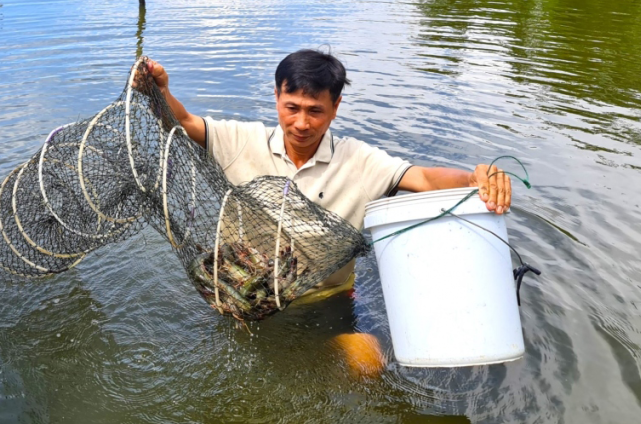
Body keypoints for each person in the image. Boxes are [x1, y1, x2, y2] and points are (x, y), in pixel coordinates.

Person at [145, 48, 512, 296]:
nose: (301, 123)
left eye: (315, 111)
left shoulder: (360, 161)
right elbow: (183, 121)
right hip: (245, 293)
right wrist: (159, 91)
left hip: (327, 299)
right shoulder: (241, 140)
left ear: (336, 106)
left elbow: (424, 179)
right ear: (276, 97)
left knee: (366, 363)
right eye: (291, 107)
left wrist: (474, 179)